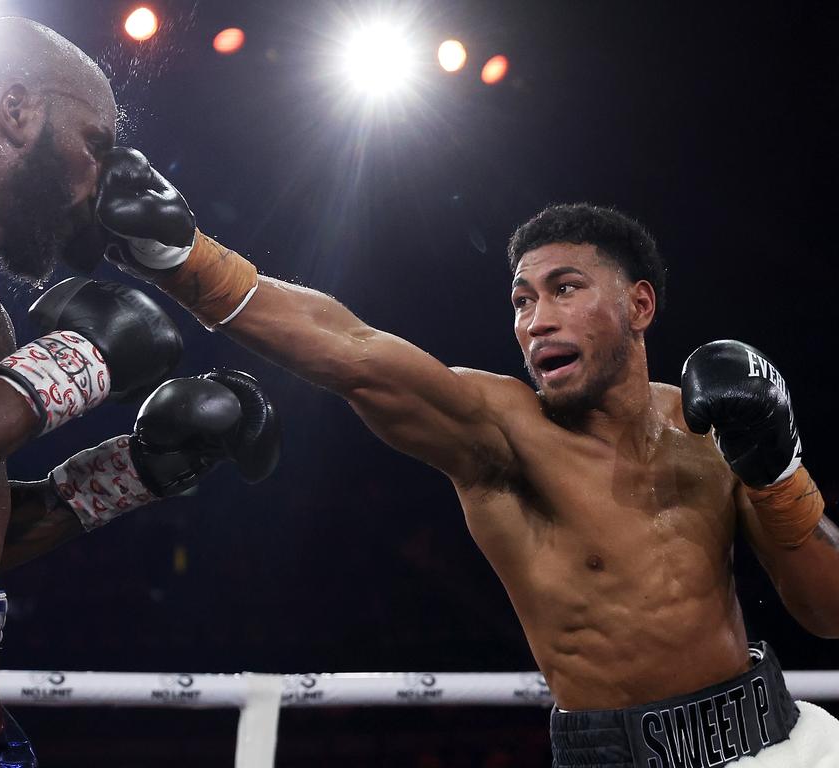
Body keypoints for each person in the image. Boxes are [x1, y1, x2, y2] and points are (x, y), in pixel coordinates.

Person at [84, 145, 839, 767]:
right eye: (520, 300)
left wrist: (778, 468)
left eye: (564, 289)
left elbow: (826, 613)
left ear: (639, 306)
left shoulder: (715, 426)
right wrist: (182, 257)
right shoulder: (502, 434)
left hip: (781, 739)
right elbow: (351, 350)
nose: (536, 321)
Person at [0, 19, 279, 768]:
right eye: (95, 146)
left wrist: (133, 471)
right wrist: (84, 357)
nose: (102, 182)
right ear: (17, 111)